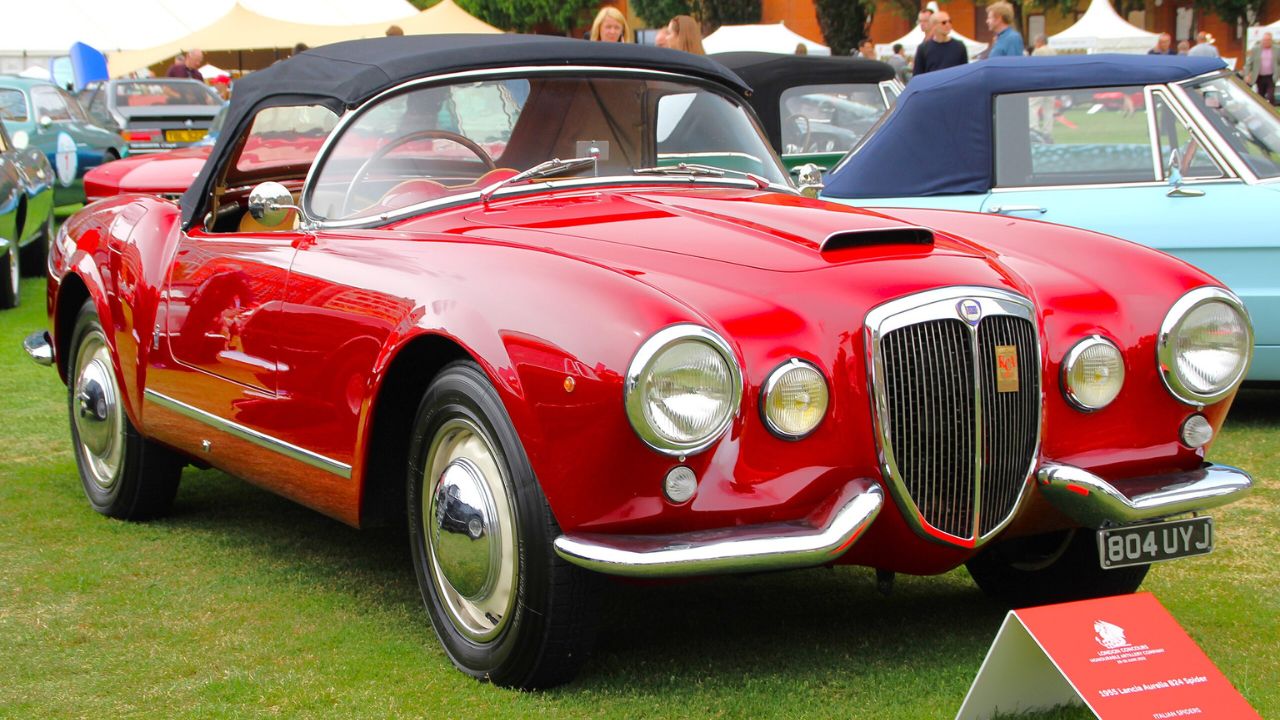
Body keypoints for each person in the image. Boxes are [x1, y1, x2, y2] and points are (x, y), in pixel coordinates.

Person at [912, 12, 967, 77]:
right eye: (944, 22)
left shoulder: (959, 46)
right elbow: (917, 75)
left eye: (950, 21)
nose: (948, 24)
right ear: (934, 25)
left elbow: (964, 73)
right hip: (933, 85)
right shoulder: (923, 48)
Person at [1244, 32, 1279, 105]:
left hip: (1271, 76)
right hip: (1259, 76)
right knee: (1260, 95)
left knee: (1270, 95)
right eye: (1265, 40)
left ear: (1271, 40)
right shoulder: (1255, 49)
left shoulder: (1277, 49)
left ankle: (1272, 110)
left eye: (1268, 40)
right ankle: (1262, 110)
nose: (1266, 42)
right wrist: (1247, 75)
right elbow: (1249, 63)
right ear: (1262, 40)